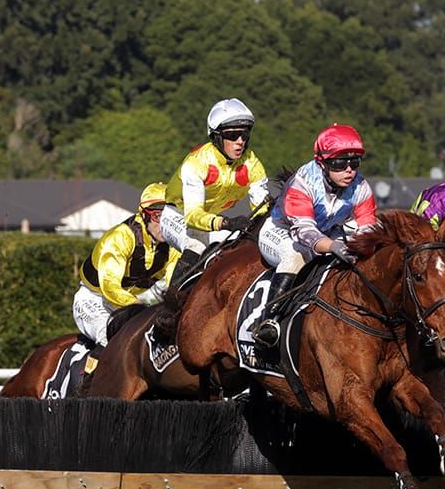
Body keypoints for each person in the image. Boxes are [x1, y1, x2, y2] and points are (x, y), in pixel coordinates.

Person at [251, 123, 378, 348]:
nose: (349, 170)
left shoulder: (361, 187)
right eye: (339, 163)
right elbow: (305, 233)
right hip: (283, 232)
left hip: (328, 233)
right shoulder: (303, 182)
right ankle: (269, 321)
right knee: (295, 255)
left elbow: (368, 228)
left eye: (354, 162)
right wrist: (334, 247)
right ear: (322, 162)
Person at [148, 98, 269, 281]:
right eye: (233, 135)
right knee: (197, 245)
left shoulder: (251, 163)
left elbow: (262, 207)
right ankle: (171, 303)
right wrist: (225, 223)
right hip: (179, 215)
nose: (240, 141)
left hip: (214, 218)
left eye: (244, 135)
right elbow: (193, 216)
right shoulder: (197, 162)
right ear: (216, 136)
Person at [72, 188, 181, 372]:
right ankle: (87, 386)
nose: (164, 224)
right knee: (114, 340)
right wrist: (139, 308)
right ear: (144, 215)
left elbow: (173, 285)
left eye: (171, 219)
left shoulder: (172, 247)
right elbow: (110, 287)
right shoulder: (121, 237)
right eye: (157, 216)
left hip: (128, 303)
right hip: (94, 299)